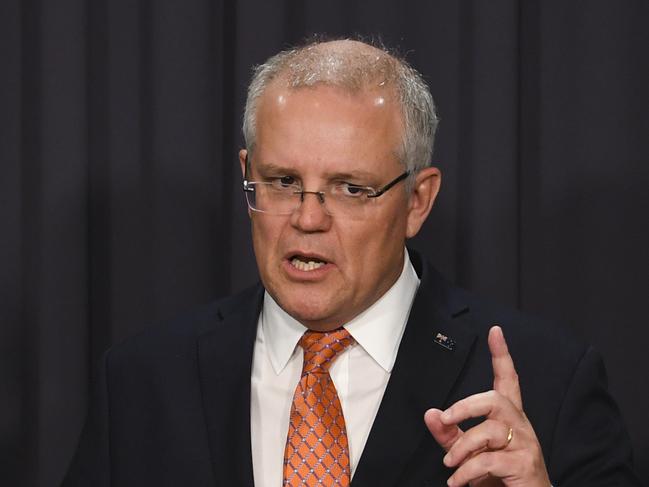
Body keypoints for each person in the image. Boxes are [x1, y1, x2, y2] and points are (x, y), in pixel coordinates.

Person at [63, 39, 641, 486]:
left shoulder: (550, 383)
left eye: (349, 189)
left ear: (418, 201)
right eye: (284, 181)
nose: (307, 219)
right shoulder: (142, 381)